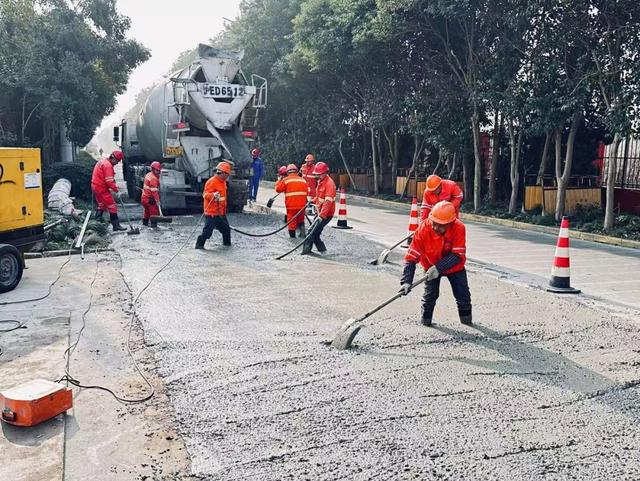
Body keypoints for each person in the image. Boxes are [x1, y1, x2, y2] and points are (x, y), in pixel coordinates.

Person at [399, 200, 472, 326]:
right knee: (430, 296)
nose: (436, 228)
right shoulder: (423, 229)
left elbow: (458, 255)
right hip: (429, 265)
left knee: (462, 295)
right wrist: (406, 281)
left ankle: (467, 320)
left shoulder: (459, 228)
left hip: (454, 267)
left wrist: (439, 267)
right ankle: (426, 321)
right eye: (434, 223)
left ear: (450, 223)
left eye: (441, 225)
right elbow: (412, 256)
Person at [195, 162, 232, 249]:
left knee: (226, 230)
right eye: (227, 174)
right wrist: (213, 195)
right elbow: (205, 194)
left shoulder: (223, 182)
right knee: (207, 232)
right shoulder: (211, 182)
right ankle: (199, 245)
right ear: (222, 173)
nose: (227, 176)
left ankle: (227, 245)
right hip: (211, 213)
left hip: (221, 213)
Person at [302, 161, 335, 254]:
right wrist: (311, 201)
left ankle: (306, 252)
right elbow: (319, 196)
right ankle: (323, 251)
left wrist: (321, 216)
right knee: (315, 233)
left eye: (318, 175)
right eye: (316, 174)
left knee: (311, 231)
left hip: (326, 214)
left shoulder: (329, 184)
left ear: (325, 173)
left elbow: (328, 202)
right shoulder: (321, 181)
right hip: (320, 212)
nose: (316, 177)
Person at [91, 150, 126, 232]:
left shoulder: (103, 161)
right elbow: (109, 181)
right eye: (117, 161)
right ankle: (116, 226)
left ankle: (96, 223)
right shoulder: (108, 166)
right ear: (114, 159)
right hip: (101, 188)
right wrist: (117, 191)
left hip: (95, 186)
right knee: (112, 206)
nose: (117, 163)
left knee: (101, 205)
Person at [275, 164, 308, 238]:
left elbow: (278, 189)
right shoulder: (303, 180)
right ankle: (302, 234)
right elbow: (306, 193)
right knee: (301, 220)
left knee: (291, 223)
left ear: (287, 172)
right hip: (302, 206)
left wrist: (279, 180)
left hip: (291, 206)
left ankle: (293, 239)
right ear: (296, 171)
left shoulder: (285, 180)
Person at [141, 161, 162, 227]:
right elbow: (154, 192)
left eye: (159, 170)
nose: (158, 172)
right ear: (153, 169)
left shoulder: (148, 174)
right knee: (154, 213)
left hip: (144, 198)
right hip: (150, 199)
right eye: (157, 170)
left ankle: (144, 225)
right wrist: (158, 201)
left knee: (147, 212)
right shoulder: (153, 178)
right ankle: (154, 226)